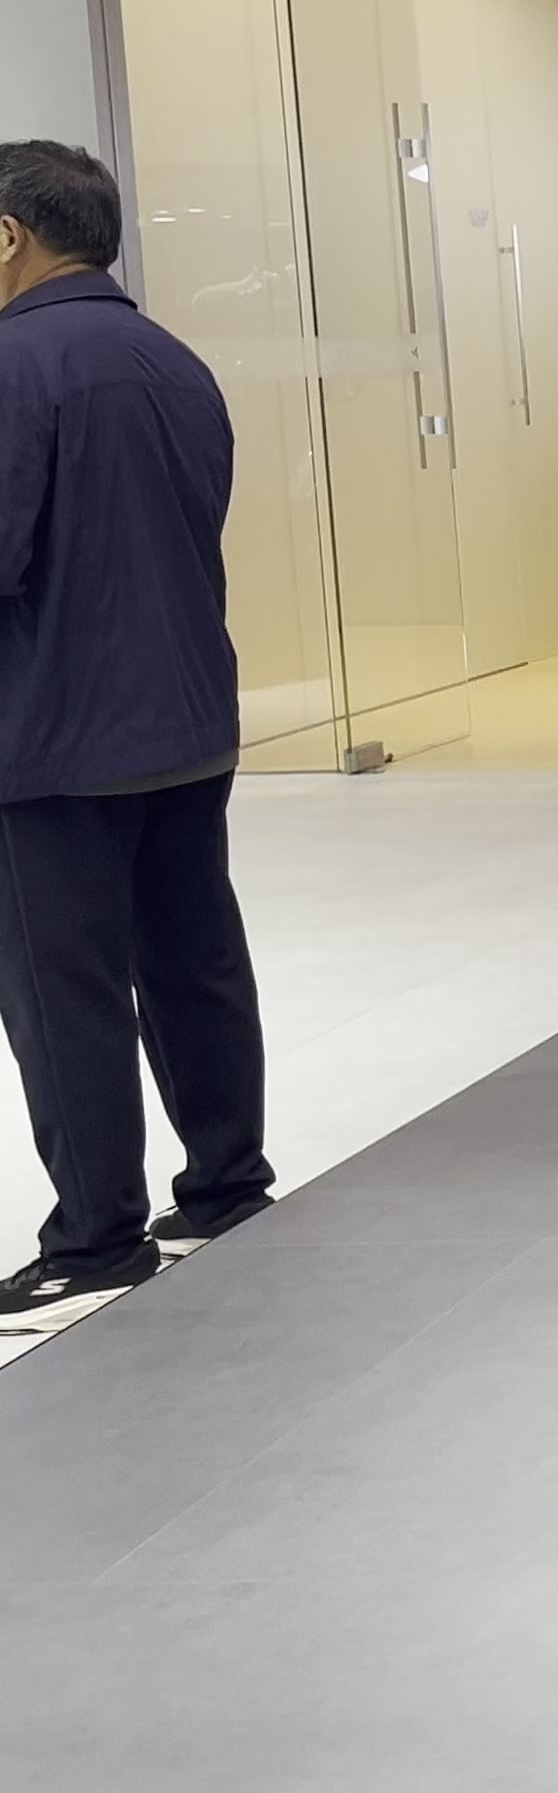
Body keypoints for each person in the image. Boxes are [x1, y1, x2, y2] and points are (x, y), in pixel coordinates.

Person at [0, 140, 276, 1330]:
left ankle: (96, 1238)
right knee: (190, 959)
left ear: (9, 235)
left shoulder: (16, 362)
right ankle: (226, 1187)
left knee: (62, 991)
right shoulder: (173, 359)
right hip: (187, 722)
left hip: (53, 736)